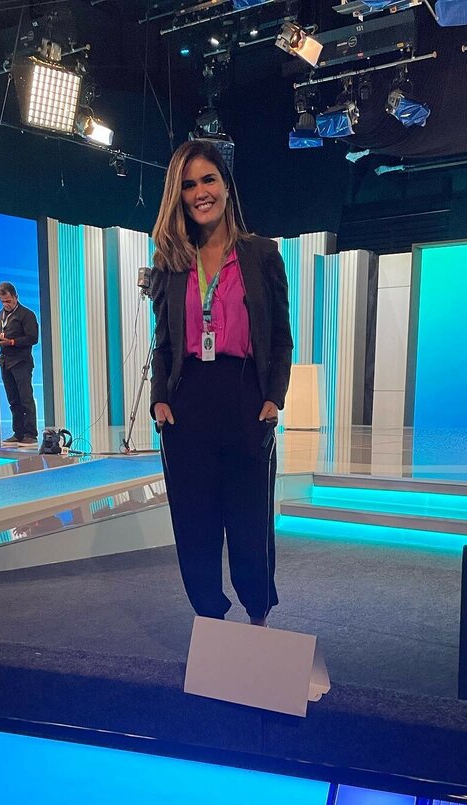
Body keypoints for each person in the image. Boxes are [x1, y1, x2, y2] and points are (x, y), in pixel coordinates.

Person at [150, 139, 293, 626]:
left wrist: (274, 397)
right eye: (188, 185)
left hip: (246, 399)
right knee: (195, 525)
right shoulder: (171, 262)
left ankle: (257, 619)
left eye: (208, 179)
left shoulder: (262, 255)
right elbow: (163, 343)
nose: (200, 193)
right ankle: (210, 620)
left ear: (226, 185)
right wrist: (160, 401)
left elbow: (281, 338)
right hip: (187, 404)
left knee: (251, 524)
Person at [0, 282, 39, 446]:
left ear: (16, 297)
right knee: (13, 399)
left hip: (21, 361)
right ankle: (18, 433)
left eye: (8, 301)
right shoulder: (1, 314)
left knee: (25, 398)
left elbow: (33, 338)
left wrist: (12, 341)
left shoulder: (27, 314)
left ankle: (30, 434)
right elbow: (2, 336)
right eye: (2, 301)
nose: (6, 304)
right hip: (5, 361)